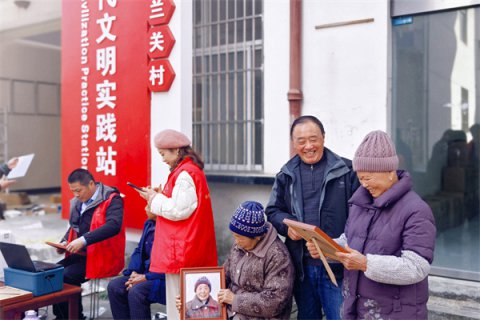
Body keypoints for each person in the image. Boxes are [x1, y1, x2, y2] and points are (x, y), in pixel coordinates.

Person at [307, 130, 436, 319]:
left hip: (395, 312)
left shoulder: (416, 210)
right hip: (358, 308)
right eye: (360, 178)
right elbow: (349, 241)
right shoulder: (359, 203)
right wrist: (327, 248)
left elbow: (417, 267)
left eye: (368, 177)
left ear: (390, 172)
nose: (363, 184)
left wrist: (366, 264)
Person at [265, 115, 359, 319]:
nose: (308, 146)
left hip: (339, 266)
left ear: (324, 138)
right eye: (301, 141)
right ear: (294, 143)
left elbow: (360, 217)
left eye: (313, 139)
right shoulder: (286, 174)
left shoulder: (347, 171)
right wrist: (286, 227)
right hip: (302, 268)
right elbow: (272, 211)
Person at [137, 129, 218, 320]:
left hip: (182, 251)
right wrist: (158, 196)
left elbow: (179, 210)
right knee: (186, 304)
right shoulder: (189, 171)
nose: (163, 159)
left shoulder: (184, 174)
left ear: (176, 150)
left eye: (163, 154)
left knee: (179, 305)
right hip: (188, 247)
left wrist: (155, 198)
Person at [53, 168, 125, 320]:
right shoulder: (77, 202)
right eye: (73, 191)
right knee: (52, 274)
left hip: (102, 255)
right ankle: (62, 316)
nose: (76, 195)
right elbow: (74, 226)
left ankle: (74, 316)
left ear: (91, 184)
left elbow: (114, 225)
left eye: (78, 190)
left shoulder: (112, 199)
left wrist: (83, 240)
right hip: (82, 253)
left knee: (67, 276)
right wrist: (64, 242)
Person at [216, 201, 295, 319]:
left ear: (257, 236)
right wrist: (190, 296)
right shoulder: (240, 246)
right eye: (234, 236)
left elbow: (275, 301)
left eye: (240, 237)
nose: (236, 242)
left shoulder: (278, 256)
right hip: (230, 313)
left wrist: (235, 300)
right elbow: (224, 275)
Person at [107, 209, 166, 320]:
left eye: (148, 205)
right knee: (115, 286)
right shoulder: (149, 223)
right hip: (145, 274)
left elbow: (170, 264)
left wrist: (145, 277)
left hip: (162, 277)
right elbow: (139, 250)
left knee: (137, 291)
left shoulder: (170, 228)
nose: (145, 208)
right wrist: (133, 272)